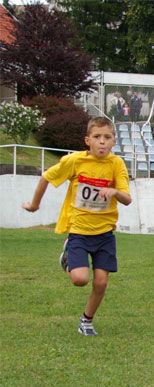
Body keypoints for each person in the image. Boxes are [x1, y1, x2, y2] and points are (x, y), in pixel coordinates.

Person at [22, 117, 132, 336]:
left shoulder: (116, 164)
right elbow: (46, 177)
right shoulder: (75, 161)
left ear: (114, 141)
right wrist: (34, 205)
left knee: (101, 283)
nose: (102, 141)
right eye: (97, 137)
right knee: (80, 280)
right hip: (79, 231)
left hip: (105, 233)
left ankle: (86, 321)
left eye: (107, 137)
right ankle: (67, 256)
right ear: (87, 140)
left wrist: (114, 192)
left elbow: (127, 199)